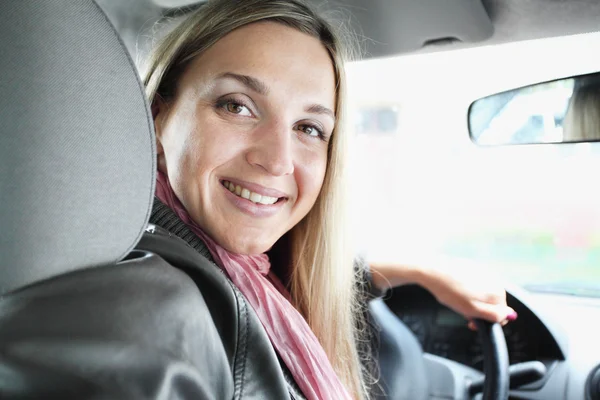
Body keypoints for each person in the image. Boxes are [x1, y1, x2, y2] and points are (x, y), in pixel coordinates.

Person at [143, 0, 516, 398]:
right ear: (157, 118)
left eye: (309, 128)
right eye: (237, 106)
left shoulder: (241, 269)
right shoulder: (154, 310)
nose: (278, 161)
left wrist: (423, 273)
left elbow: (303, 267)